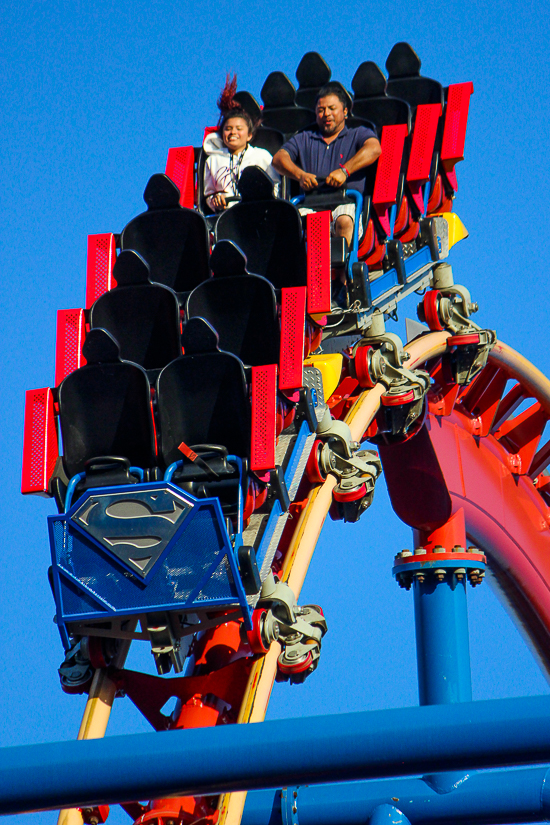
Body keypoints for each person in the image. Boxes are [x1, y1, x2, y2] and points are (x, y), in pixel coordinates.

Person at [272, 83, 381, 247]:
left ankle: (342, 272)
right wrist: (300, 175)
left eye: (332, 108)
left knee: (343, 220)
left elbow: (374, 149)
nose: (326, 114)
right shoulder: (303, 137)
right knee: (300, 223)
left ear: (344, 112)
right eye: (321, 110)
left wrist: (345, 171)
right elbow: (279, 159)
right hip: (310, 204)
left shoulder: (358, 133)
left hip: (345, 202)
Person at [204, 75, 279, 212]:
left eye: (239, 129)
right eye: (228, 129)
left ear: (249, 135)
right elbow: (209, 194)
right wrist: (215, 199)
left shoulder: (262, 155)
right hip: (226, 215)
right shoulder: (212, 160)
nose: (233, 132)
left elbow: (276, 185)